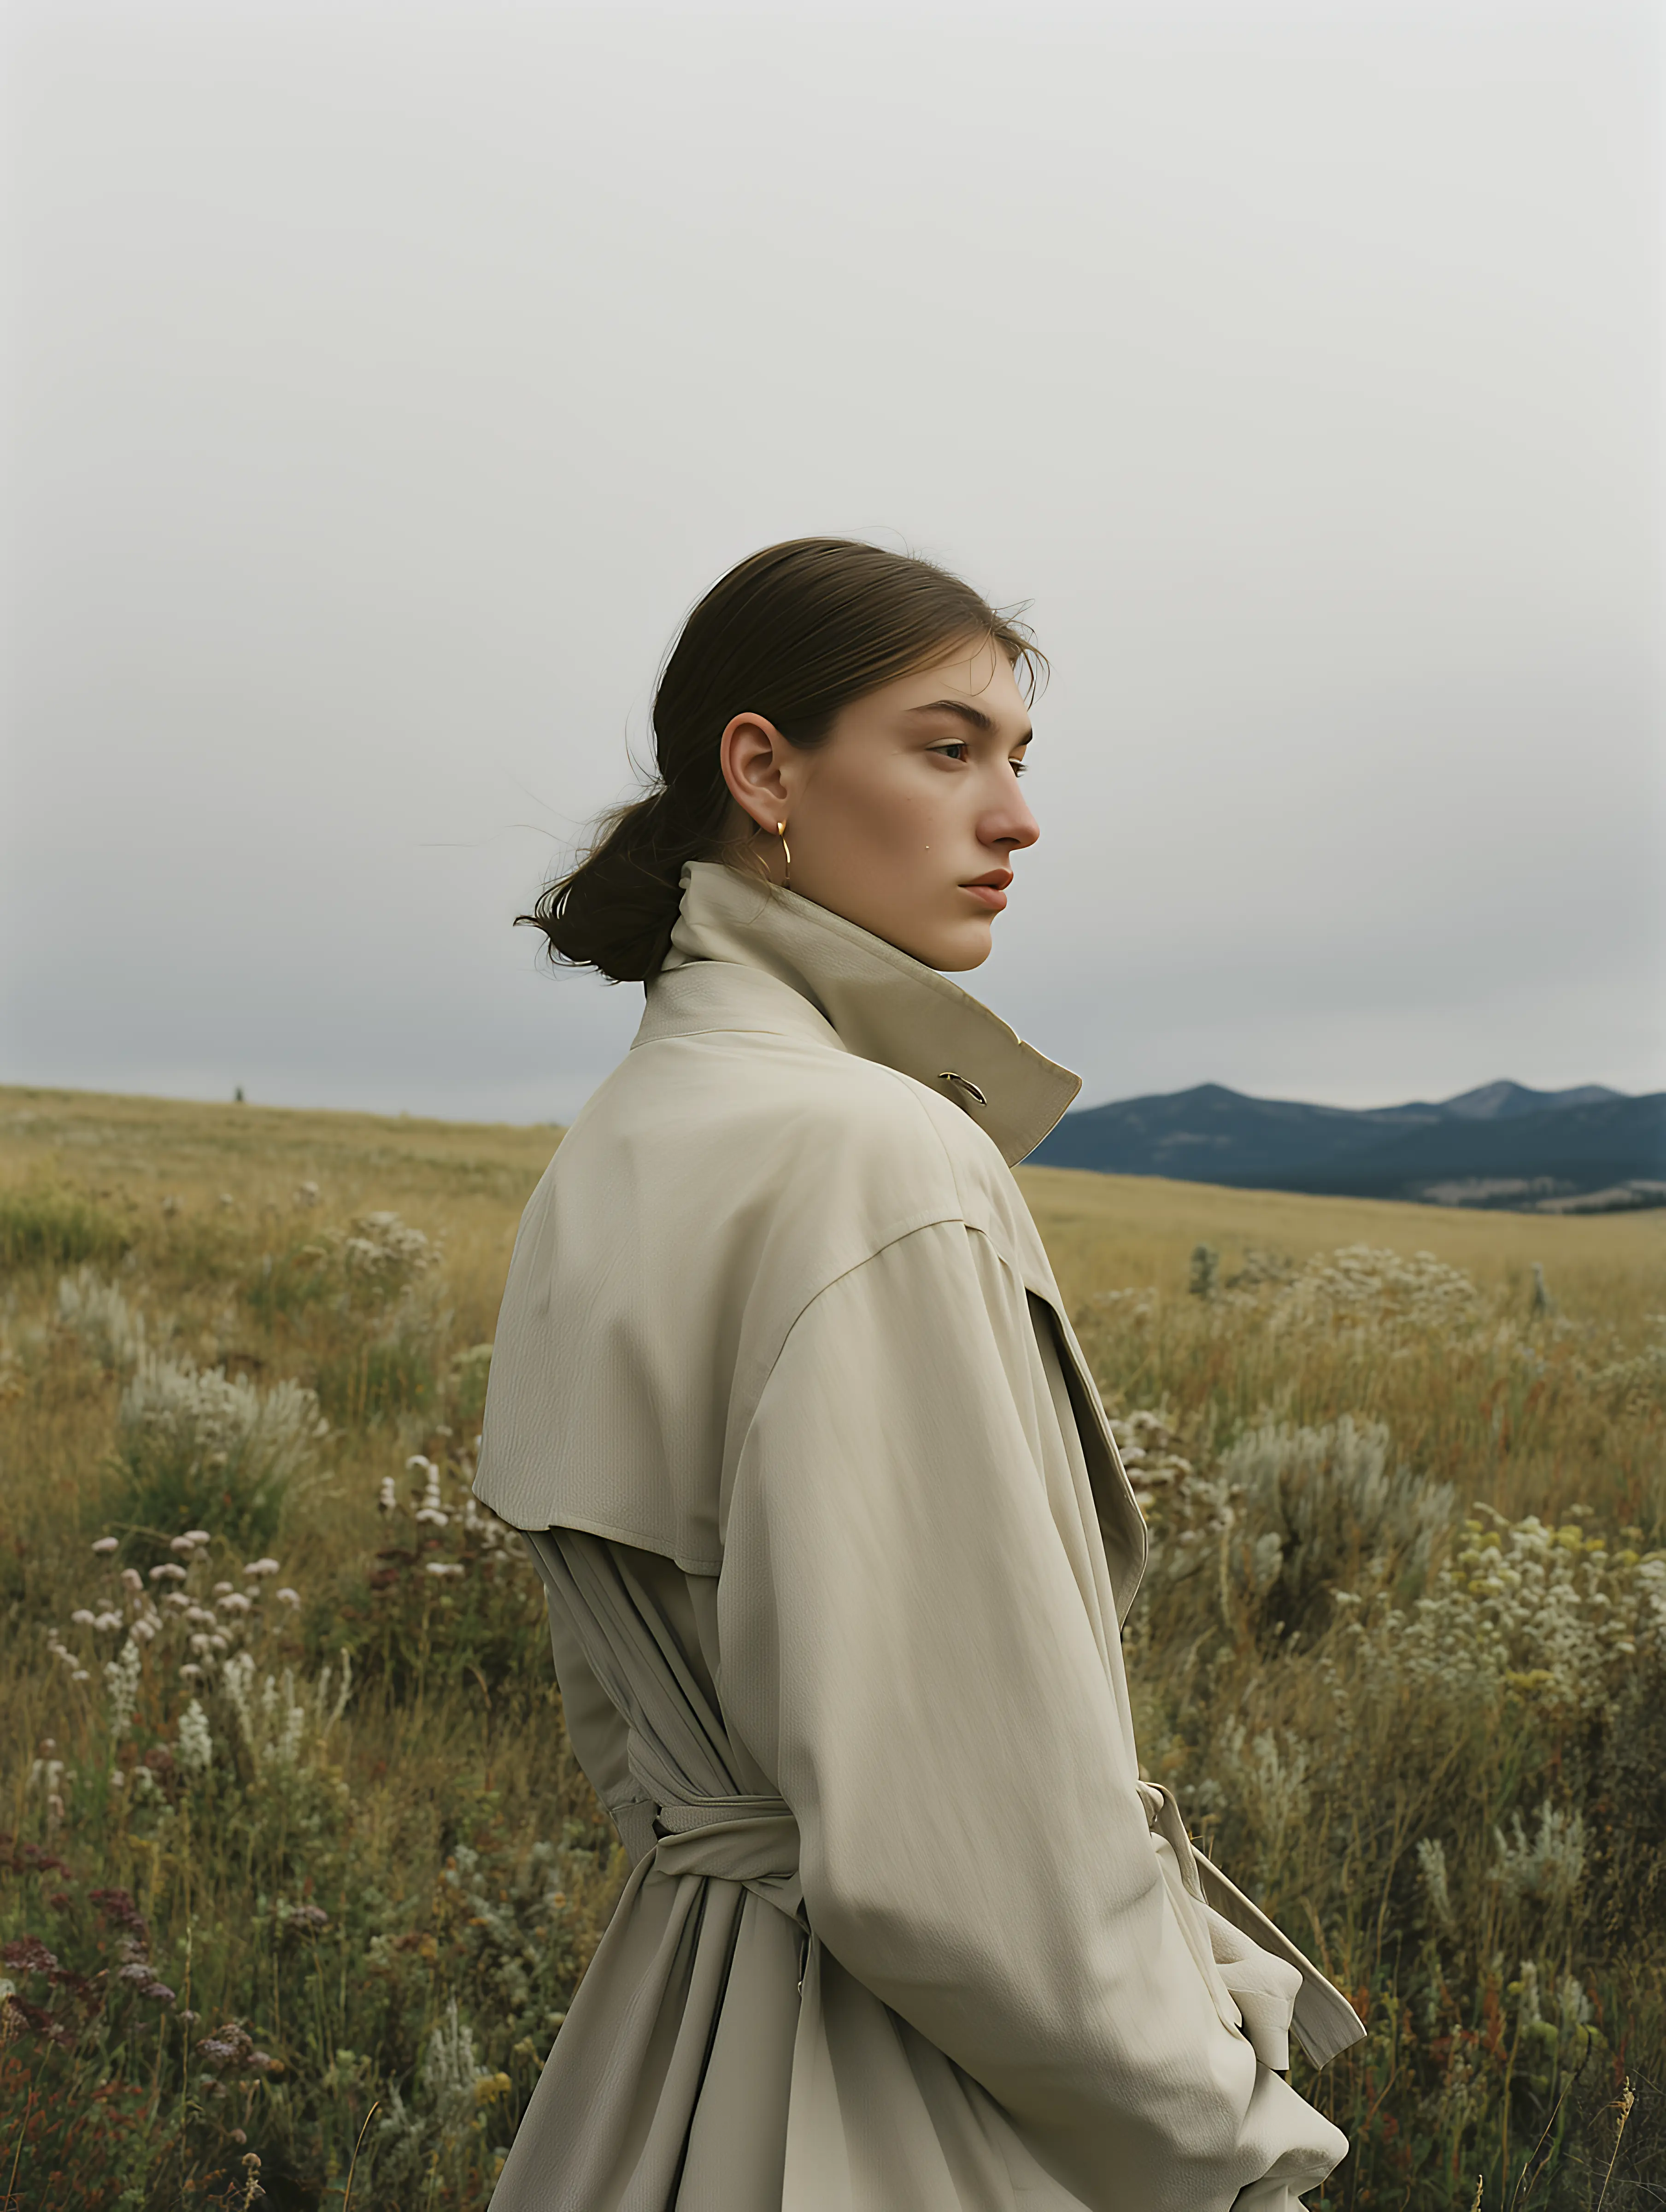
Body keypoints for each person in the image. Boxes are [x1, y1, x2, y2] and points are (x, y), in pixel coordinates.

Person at [474, 539, 1363, 2211]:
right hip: (893, 2104)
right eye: (949, 749)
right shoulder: (877, 1161)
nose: (1016, 818)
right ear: (765, 772)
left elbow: (643, 1738)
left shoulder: (622, 1141)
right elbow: (970, 1844)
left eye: (1019, 761)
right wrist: (1231, 2136)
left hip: (662, 2069)